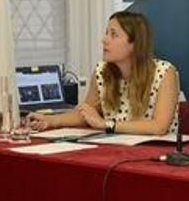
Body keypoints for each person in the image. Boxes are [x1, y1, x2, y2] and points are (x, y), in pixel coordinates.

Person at [27, 11, 179, 138]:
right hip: (116, 147)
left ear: (134, 44)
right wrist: (51, 121)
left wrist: (106, 124)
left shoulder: (165, 72)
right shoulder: (101, 72)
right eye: (106, 33)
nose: (104, 40)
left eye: (114, 35)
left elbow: (159, 127)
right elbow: (86, 114)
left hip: (157, 152)